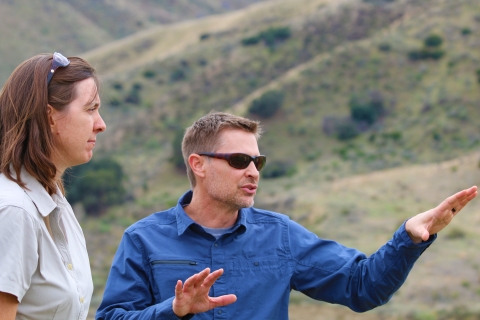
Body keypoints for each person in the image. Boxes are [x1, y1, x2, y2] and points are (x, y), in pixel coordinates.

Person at [96, 112, 476, 320]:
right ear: (198, 164)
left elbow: (363, 287)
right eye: (240, 161)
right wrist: (173, 311)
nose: (253, 172)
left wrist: (409, 237)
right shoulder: (143, 239)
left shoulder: (281, 236)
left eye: (257, 161)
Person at [0, 52, 106, 319]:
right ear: (49, 117)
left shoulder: (55, 202)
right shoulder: (15, 211)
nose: (101, 125)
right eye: (91, 109)